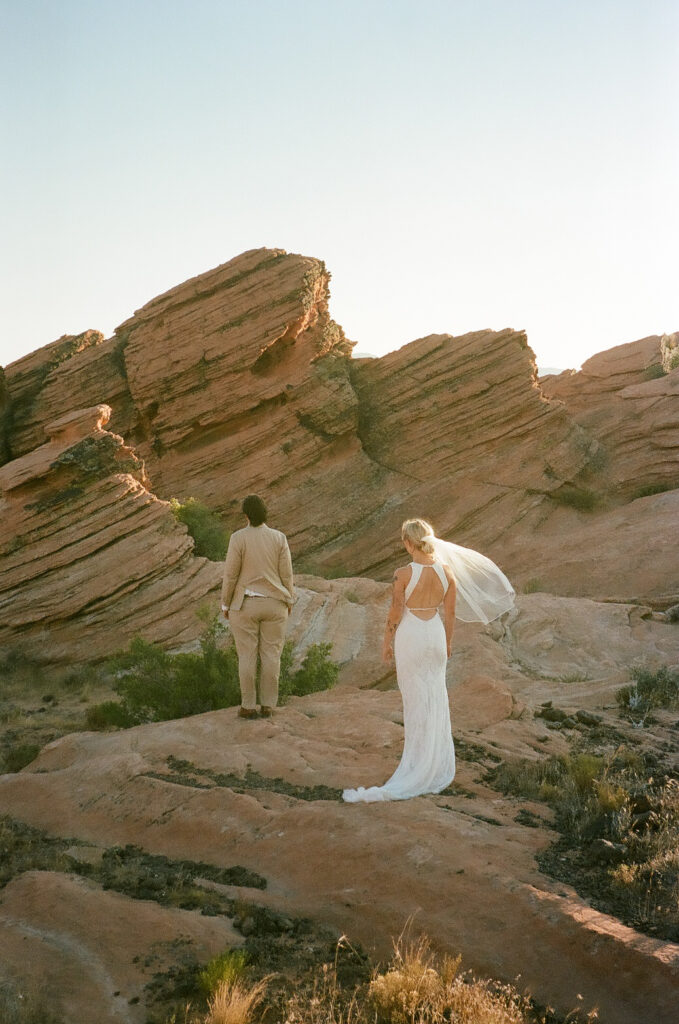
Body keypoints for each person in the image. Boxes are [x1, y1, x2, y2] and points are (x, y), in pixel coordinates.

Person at [342, 518, 515, 803]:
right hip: (434, 635)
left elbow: (395, 613)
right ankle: (435, 764)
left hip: (411, 636)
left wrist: (386, 644)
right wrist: (446, 643)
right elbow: (449, 614)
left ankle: (415, 765)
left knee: (414, 700)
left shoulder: (403, 574)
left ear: (408, 543)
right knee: (436, 697)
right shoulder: (447, 572)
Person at [221, 494, 294, 719]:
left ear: (245, 515)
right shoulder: (279, 538)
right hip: (275, 604)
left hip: (245, 605)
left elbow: (231, 574)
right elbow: (287, 574)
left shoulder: (238, 538)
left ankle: (248, 706)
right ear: (266, 513)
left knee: (247, 655)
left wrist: (226, 602)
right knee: (272, 655)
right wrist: (289, 600)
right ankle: (269, 705)